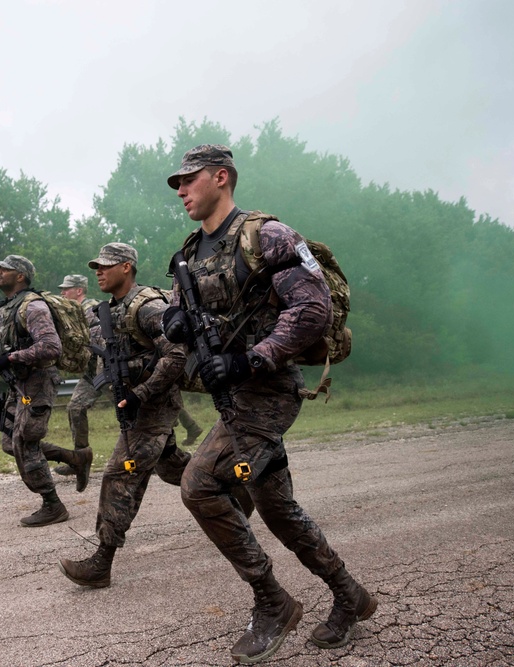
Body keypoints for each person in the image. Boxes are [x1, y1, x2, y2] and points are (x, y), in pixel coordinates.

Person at [162, 145, 376, 662]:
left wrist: (251, 359)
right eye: (178, 185)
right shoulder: (190, 253)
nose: (182, 191)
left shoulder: (268, 236)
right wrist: (174, 324)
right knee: (278, 509)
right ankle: (350, 596)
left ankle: (272, 602)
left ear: (222, 177)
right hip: (232, 395)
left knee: (199, 484)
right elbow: (175, 312)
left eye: (189, 180)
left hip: (268, 390)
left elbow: (311, 308)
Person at [57, 243, 192, 587]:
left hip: (152, 406)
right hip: (137, 404)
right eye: (96, 266)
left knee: (120, 475)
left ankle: (101, 563)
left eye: (106, 265)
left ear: (127, 267)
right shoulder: (108, 310)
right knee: (171, 465)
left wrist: (140, 394)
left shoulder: (147, 307)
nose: (98, 271)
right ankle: (227, 485)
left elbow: (177, 355)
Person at [0, 254, 92, 527]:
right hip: (18, 384)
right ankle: (74, 458)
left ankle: (53, 505)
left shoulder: (33, 307)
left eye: (4, 269)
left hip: (38, 381)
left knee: (25, 442)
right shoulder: (7, 307)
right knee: (11, 443)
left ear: (20, 275)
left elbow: (50, 347)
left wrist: (9, 358)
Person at [53, 274, 102, 476]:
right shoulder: (73, 312)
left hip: (108, 369)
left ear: (79, 290)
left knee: (136, 410)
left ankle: (158, 455)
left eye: (66, 289)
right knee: (75, 407)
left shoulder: (91, 309)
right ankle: (81, 459)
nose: (62, 292)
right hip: (92, 373)